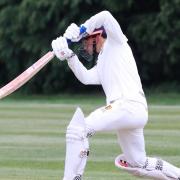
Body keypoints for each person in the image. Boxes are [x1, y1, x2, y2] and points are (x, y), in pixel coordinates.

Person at [51, 11, 180, 180]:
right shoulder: (102, 62)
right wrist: (69, 56)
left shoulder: (116, 42)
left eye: (86, 41)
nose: (85, 46)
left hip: (126, 105)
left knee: (78, 129)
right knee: (138, 163)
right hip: (131, 111)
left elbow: (105, 16)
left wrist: (82, 29)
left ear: (96, 35)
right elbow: (86, 78)